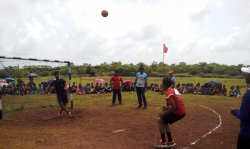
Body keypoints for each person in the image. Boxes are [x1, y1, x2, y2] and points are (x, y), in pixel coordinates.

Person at [155, 77, 186, 148]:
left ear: (164, 85)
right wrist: (167, 108)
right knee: (164, 121)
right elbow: (176, 104)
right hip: (182, 111)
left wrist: (163, 114)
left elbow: (174, 107)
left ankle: (163, 142)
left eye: (162, 84)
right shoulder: (173, 90)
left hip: (178, 112)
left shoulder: (168, 93)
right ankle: (170, 141)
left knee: (160, 120)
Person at [230, 67, 250, 149]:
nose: (245, 76)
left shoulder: (248, 95)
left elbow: (243, 116)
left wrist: (235, 111)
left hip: (247, 133)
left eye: (247, 74)